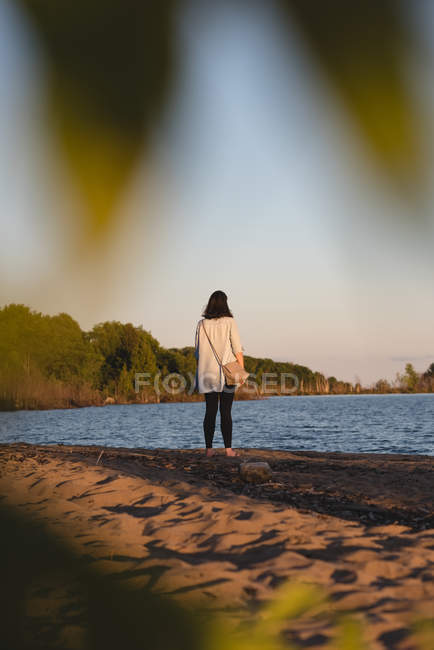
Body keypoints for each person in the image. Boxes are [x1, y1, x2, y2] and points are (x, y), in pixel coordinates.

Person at [194, 290, 246, 457]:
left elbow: (197, 352)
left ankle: (209, 450)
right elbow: (237, 350)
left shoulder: (201, 324)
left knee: (210, 411)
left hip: (206, 373)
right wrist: (241, 372)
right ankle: (228, 450)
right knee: (226, 411)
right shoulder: (230, 322)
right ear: (225, 304)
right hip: (227, 374)